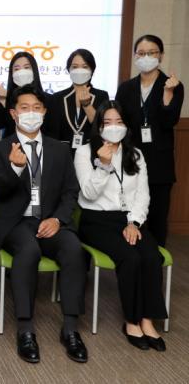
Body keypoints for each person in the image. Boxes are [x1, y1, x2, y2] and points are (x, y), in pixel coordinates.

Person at [0, 85, 88, 364]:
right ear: (13, 113)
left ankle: (70, 328)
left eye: (36, 108)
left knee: (73, 249)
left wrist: (57, 219)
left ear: (44, 112)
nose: (31, 113)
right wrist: (16, 168)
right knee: (28, 251)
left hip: (50, 220)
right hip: (15, 222)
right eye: (24, 108)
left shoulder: (59, 149)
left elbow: (71, 191)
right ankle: (25, 328)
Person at [75, 101, 167, 351]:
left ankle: (147, 320)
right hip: (97, 220)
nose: (114, 127)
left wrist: (134, 222)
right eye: (107, 122)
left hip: (130, 219)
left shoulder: (135, 154)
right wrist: (103, 165)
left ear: (127, 125)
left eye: (119, 122)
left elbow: (143, 195)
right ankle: (132, 321)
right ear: (99, 126)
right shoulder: (85, 152)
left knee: (151, 256)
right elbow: (89, 193)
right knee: (130, 257)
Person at [115, 35, 184, 247]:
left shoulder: (173, 85)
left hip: (159, 163)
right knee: (129, 214)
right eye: (141, 53)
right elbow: (119, 122)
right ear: (135, 56)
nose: (146, 57)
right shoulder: (126, 88)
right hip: (131, 159)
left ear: (160, 55)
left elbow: (169, 121)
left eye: (152, 53)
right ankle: (132, 256)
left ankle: (156, 259)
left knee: (157, 217)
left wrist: (167, 93)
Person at [48, 49, 109, 152]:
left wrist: (87, 105)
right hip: (64, 153)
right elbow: (53, 133)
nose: (79, 70)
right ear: (69, 70)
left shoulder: (101, 96)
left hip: (91, 153)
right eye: (75, 67)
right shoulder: (57, 98)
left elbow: (102, 127)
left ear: (92, 70)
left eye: (85, 67)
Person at [0, 51, 51, 138]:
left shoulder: (48, 99)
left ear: (34, 70)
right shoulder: (6, 98)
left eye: (26, 67)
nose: (22, 72)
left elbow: (52, 130)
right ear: (12, 73)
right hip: (12, 144)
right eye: (17, 69)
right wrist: (2, 101)